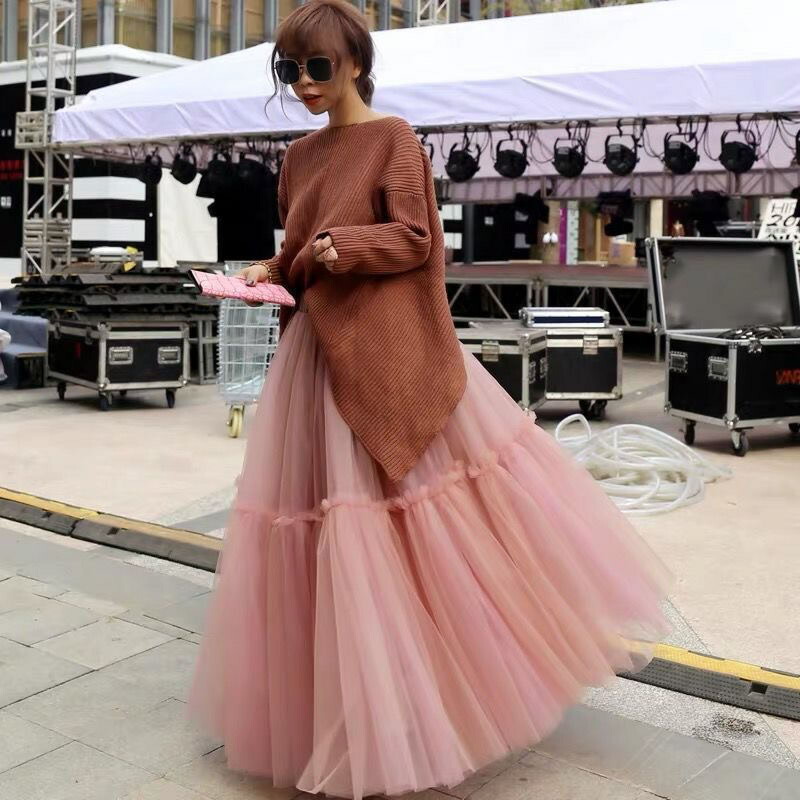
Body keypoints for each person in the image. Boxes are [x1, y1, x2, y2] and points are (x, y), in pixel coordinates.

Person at [187, 2, 676, 798]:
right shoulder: (298, 157)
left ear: (355, 63)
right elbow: (297, 249)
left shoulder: (394, 139)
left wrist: (343, 247)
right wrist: (268, 271)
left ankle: (439, 698)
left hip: (385, 349)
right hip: (314, 355)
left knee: (420, 526)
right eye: (290, 69)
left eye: (318, 66)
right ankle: (356, 707)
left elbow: (419, 239)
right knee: (333, 530)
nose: (303, 82)